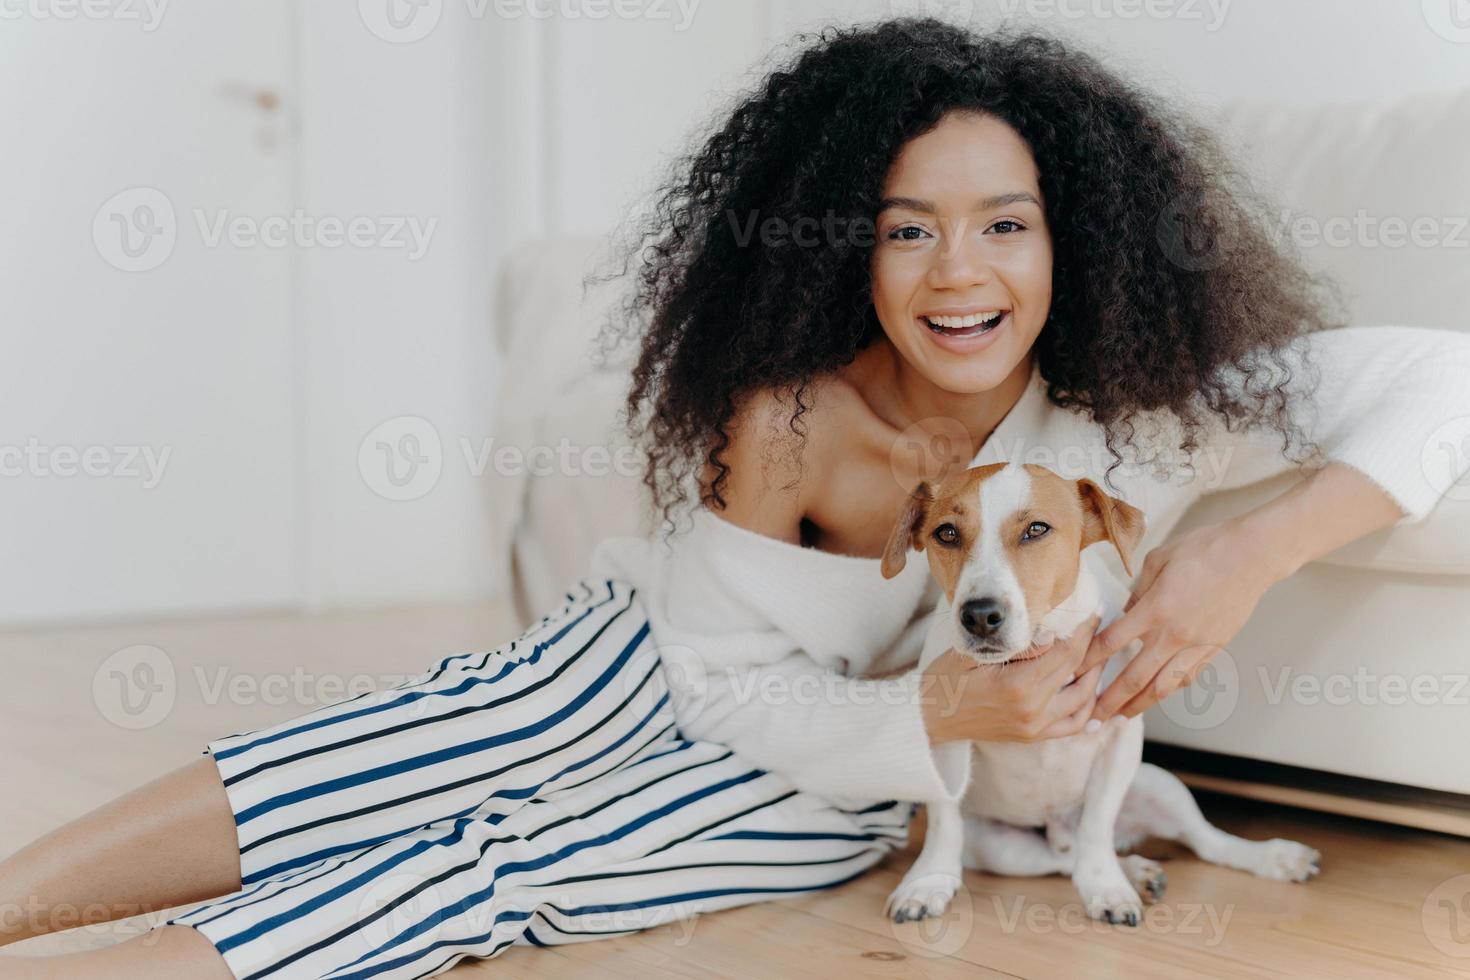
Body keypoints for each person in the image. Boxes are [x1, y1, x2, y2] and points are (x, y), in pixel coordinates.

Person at [3, 18, 1467, 979]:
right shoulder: (786, 414)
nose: (958, 274)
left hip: (840, 791)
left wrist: (1244, 559)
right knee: (423, 746)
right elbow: (711, 681)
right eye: (909, 230)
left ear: (1070, 241)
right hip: (672, 671)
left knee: (495, 864)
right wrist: (950, 710)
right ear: (849, 248)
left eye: (1003, 226)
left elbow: (1443, 376)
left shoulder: (1144, 407)